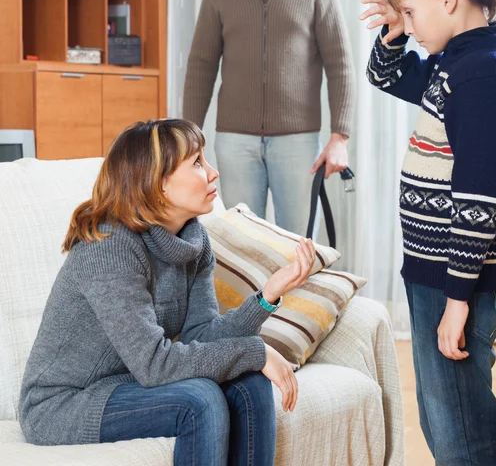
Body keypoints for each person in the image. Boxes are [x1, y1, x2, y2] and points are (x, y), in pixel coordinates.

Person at [19, 118, 316, 466]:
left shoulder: (193, 240)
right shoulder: (110, 246)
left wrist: (267, 295)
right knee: (199, 400)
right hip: (62, 404)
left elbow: (202, 336)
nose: (213, 172)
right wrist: (256, 351)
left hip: (127, 383)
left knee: (249, 385)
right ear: (159, 183)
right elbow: (154, 365)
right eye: (197, 163)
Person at [360, 0, 496, 466]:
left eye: (410, 12)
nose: (408, 26)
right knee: (441, 417)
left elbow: (479, 204)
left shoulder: (481, 78)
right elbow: (383, 75)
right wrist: (391, 33)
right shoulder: (455, 62)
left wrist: (458, 301)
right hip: (432, 271)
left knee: (463, 435)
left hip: (455, 280)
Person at [183, 0, 354, 236]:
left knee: (299, 243)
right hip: (234, 141)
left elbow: (340, 63)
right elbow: (202, 63)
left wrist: (340, 137)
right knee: (243, 241)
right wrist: (189, 136)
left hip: (298, 139)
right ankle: (255, 296)